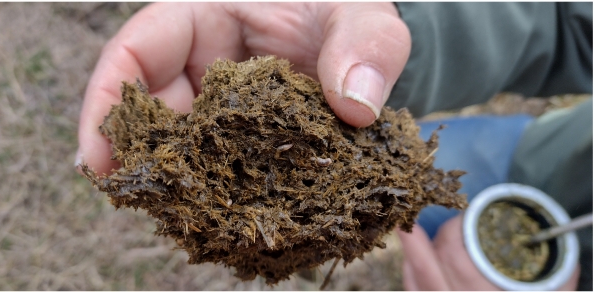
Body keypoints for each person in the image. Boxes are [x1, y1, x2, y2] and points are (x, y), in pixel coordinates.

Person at [75, 3, 592, 290]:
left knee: (409, 202)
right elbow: (568, 19)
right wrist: (393, 28)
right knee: (423, 184)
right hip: (548, 156)